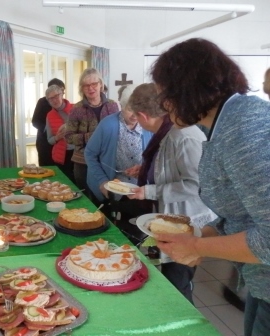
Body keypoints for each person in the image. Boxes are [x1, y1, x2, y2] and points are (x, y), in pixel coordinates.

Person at [149, 38, 270, 335]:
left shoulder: (244, 128)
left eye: (165, 93)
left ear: (187, 87)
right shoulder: (221, 124)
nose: (164, 105)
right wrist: (203, 233)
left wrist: (197, 246)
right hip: (260, 281)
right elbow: (243, 214)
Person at [127, 83, 217, 303]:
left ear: (142, 115)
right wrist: (147, 171)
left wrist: (148, 190)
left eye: (136, 119)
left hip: (186, 223)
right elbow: (172, 170)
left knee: (178, 284)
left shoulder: (183, 135)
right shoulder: (167, 132)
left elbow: (196, 185)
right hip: (167, 220)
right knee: (161, 273)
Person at [84, 84, 152, 207]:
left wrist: (143, 169)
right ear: (121, 106)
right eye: (130, 109)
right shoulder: (108, 125)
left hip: (138, 189)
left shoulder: (147, 127)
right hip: (111, 187)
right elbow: (89, 153)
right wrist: (102, 181)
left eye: (138, 111)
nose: (134, 115)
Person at [64, 68, 119, 194]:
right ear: (82, 88)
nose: (90, 88)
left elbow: (119, 130)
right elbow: (68, 136)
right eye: (86, 85)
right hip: (82, 162)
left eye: (94, 84)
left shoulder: (112, 105)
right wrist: (92, 137)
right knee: (87, 199)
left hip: (108, 161)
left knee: (107, 198)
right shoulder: (76, 109)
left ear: (101, 84)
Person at [44, 85, 75, 183]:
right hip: (61, 154)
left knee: (78, 183)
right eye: (50, 99)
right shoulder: (49, 115)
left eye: (56, 96)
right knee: (64, 183)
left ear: (62, 94)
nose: (54, 100)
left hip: (78, 153)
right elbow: (50, 140)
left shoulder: (76, 109)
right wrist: (57, 137)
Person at [32, 78, 65, 166]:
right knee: (45, 167)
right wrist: (49, 129)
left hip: (60, 143)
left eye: (62, 91)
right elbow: (35, 121)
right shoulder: (42, 102)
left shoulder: (64, 103)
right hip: (44, 141)